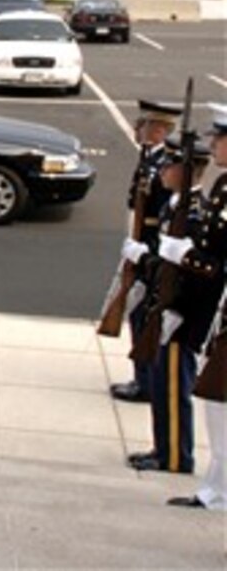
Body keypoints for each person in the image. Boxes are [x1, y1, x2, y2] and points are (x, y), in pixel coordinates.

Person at [124, 136, 221, 474]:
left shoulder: (194, 212)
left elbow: (200, 272)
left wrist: (175, 306)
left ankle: (176, 456)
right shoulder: (175, 203)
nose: (162, 171)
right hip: (166, 307)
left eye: (170, 165)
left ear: (186, 170)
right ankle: (162, 449)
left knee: (173, 386)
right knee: (161, 382)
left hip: (181, 314)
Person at [168, 103, 227, 509]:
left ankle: (219, 490)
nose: (213, 145)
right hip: (215, 312)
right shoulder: (223, 186)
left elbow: (219, 259)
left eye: (219, 139)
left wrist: (186, 256)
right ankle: (216, 487)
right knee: (216, 405)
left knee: (221, 402)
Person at [110, 99, 180, 403]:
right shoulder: (149, 158)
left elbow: (165, 216)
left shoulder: (166, 164)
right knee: (137, 313)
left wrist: (145, 251)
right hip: (140, 243)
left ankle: (146, 382)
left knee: (143, 315)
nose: (138, 129)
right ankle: (142, 377)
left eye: (145, 125)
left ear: (160, 130)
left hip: (151, 248)